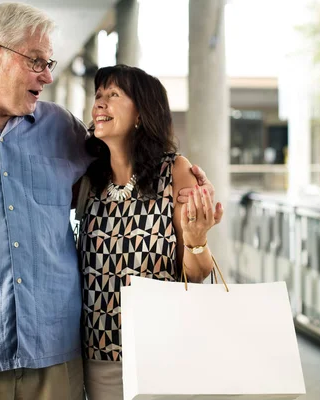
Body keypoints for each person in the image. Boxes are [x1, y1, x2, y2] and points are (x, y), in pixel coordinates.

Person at [0, 3, 216, 400]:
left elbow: (124, 161)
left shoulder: (62, 127)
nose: (48, 75)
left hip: (54, 354)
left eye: (49, 62)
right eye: (37, 61)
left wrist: (180, 175)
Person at [78, 65, 222, 400]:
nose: (100, 103)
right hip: (99, 353)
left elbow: (197, 274)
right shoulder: (86, 179)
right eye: (98, 95)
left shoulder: (174, 172)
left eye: (113, 95)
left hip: (163, 349)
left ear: (142, 112)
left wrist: (197, 240)